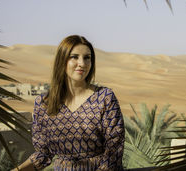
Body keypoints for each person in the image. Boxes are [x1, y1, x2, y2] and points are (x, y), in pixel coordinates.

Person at [14, 35, 124, 171]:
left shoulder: (104, 98)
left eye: (87, 57)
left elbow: (114, 151)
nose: (82, 63)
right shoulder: (44, 104)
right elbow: (42, 155)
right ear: (62, 60)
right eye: (74, 57)